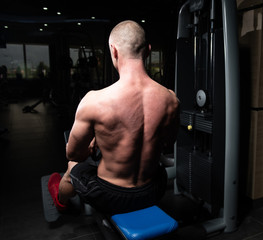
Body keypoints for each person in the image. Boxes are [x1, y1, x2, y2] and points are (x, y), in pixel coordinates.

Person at [48, 20, 179, 215]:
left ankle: (60, 201)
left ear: (114, 51)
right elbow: (168, 144)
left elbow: (74, 155)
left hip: (110, 196)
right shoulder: (171, 99)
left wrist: (100, 141)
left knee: (71, 167)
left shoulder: (94, 101)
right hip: (154, 189)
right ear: (148, 50)